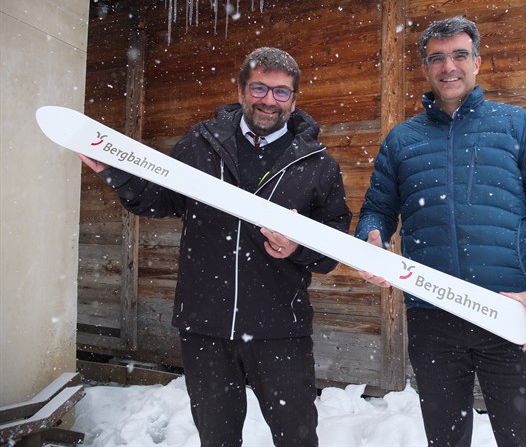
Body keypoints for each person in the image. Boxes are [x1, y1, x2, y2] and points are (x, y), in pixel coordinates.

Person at [80, 47, 352, 447]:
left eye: (281, 92)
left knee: (297, 437)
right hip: (205, 323)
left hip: (279, 327)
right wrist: (119, 175)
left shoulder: (317, 163)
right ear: (242, 90)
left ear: (294, 100)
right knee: (217, 438)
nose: (268, 100)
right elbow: (162, 198)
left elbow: (334, 245)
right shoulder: (200, 144)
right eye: (259, 88)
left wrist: (298, 248)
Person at [355, 17, 526, 446]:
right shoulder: (402, 140)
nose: (449, 67)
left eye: (459, 55)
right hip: (432, 315)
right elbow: (377, 210)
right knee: (446, 438)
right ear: (426, 69)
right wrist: (372, 238)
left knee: (523, 437)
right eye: (437, 58)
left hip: (508, 314)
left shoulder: (515, 126)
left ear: (477, 62)